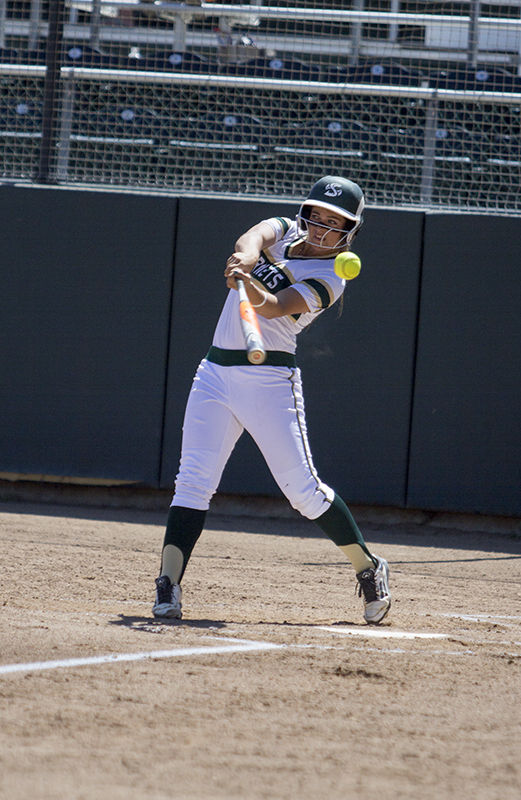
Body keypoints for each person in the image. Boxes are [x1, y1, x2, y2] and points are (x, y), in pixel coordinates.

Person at [153, 176, 391, 624]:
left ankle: (368, 566)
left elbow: (274, 307)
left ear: (349, 231)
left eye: (334, 222)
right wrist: (244, 257)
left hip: (269, 382)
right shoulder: (286, 231)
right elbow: (257, 234)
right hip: (214, 374)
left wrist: (249, 285)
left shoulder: (331, 277)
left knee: (303, 491)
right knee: (194, 480)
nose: (321, 228)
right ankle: (168, 584)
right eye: (317, 216)